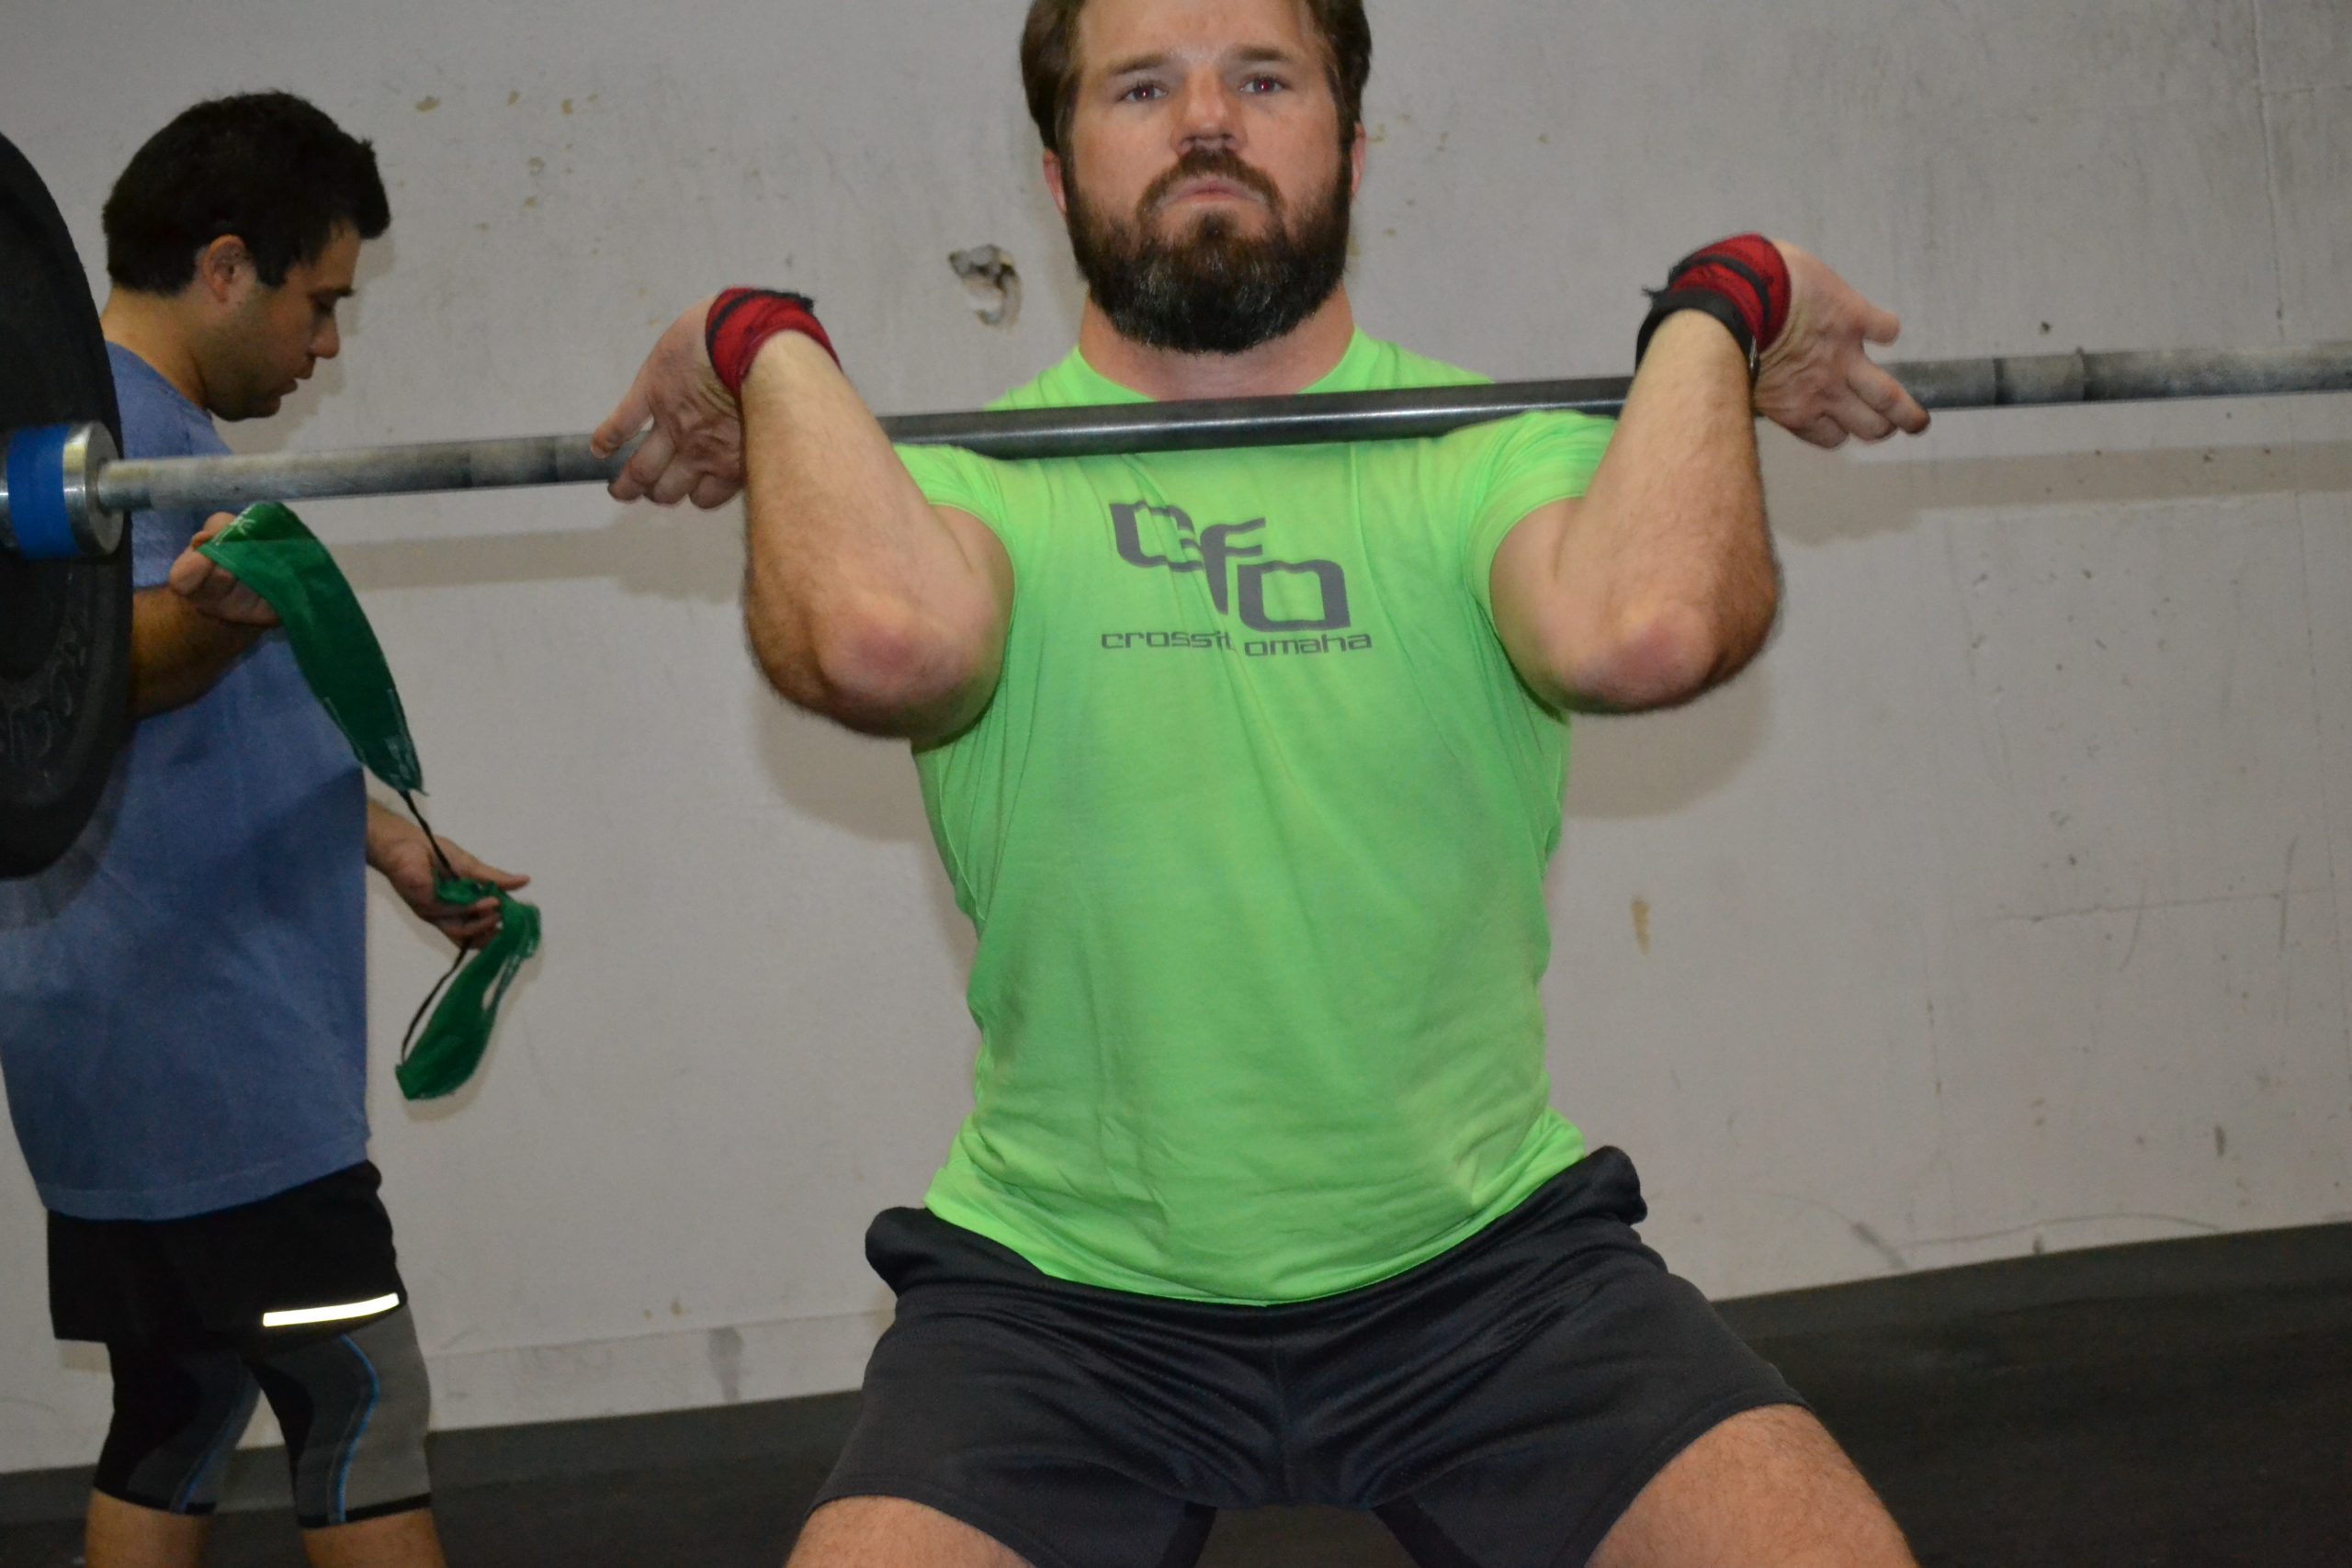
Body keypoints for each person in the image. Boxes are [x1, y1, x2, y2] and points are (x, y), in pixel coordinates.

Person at [597, 1, 1932, 1563]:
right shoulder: (961, 492)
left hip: (1489, 1274)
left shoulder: (1491, 455)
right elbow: (883, 640)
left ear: (1351, 147)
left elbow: (1647, 626)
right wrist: (760, 339)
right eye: (1142, 88)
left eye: (1262, 78)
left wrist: (1721, 303)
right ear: (1056, 171)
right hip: (1062, 1308)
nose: (1206, 121)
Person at [0, 93, 525, 1568]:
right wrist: (217, 622)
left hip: (118, 1054)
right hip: (208, 1063)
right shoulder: (113, 452)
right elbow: (83, 686)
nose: (327, 344)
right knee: (367, 1405)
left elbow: (186, 733)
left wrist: (386, 839)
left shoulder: (120, 436)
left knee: (179, 1408)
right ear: (226, 268)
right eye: (319, 301)